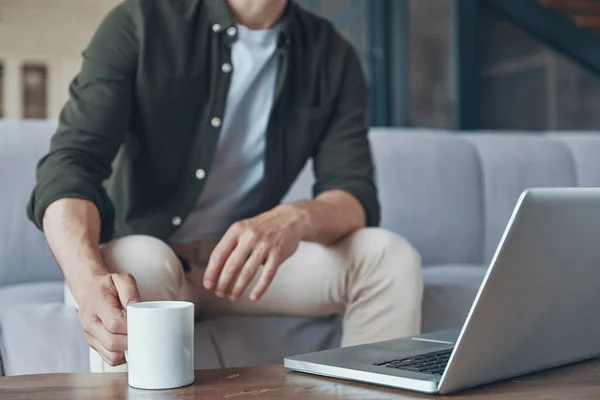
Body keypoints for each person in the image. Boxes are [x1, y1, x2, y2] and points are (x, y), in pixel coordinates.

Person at [27, 0, 423, 373]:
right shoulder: (142, 21)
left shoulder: (331, 55)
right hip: (148, 253)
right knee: (138, 265)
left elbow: (354, 195)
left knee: (388, 258)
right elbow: (70, 165)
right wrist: (86, 280)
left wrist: (295, 217)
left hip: (241, 263)